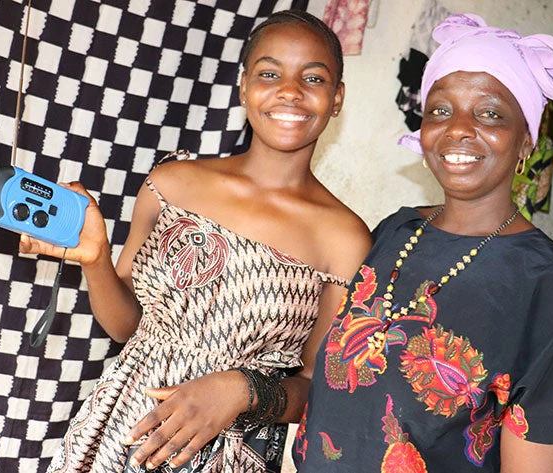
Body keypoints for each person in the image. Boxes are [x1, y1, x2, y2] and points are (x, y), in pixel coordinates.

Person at [20, 10, 371, 473]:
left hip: (229, 457)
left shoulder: (345, 239)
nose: (290, 90)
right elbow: (130, 329)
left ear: (337, 97)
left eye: (313, 77)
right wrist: (97, 260)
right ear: (243, 85)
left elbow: (316, 390)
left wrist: (240, 390)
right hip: (118, 435)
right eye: (270, 73)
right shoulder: (172, 183)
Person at [293, 13, 553, 473]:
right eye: (440, 109)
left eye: (490, 113)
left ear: (525, 142)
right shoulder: (393, 233)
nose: (458, 128)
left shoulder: (552, 288)